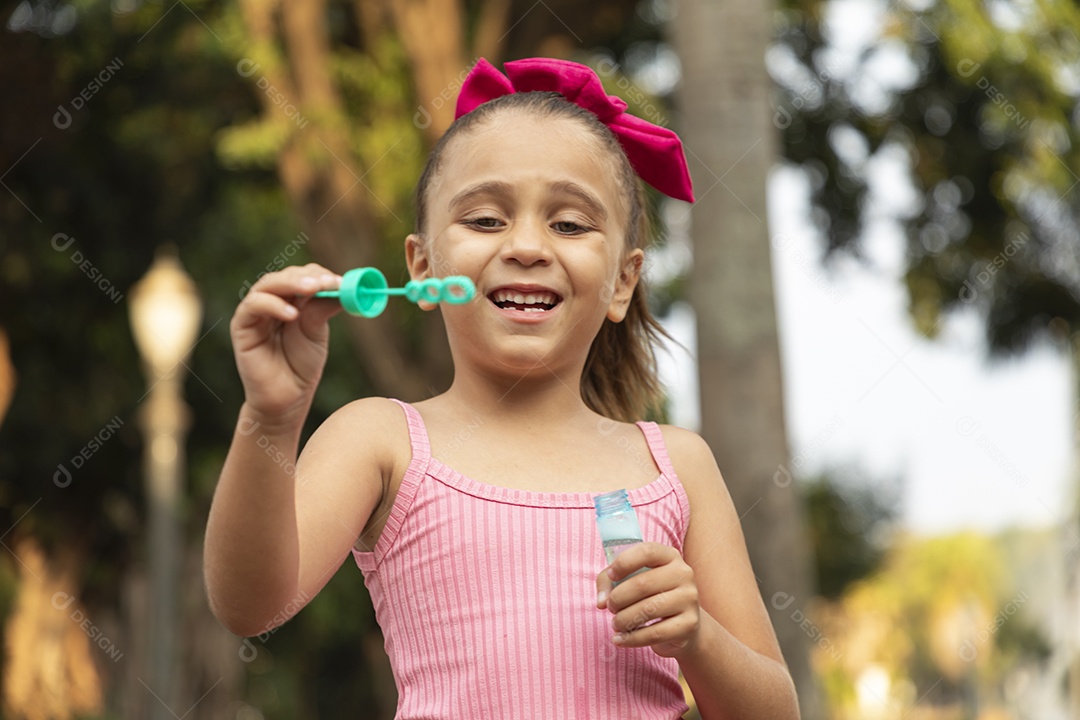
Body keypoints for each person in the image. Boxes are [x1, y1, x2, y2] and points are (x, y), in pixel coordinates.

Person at [205, 57, 800, 719]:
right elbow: (249, 605)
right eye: (485, 220)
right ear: (422, 264)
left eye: (569, 224)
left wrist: (697, 635)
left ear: (623, 283)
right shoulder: (382, 440)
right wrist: (272, 413)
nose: (525, 245)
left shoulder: (676, 466)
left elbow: (776, 711)